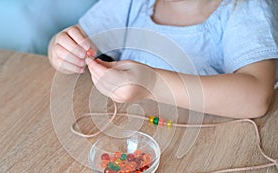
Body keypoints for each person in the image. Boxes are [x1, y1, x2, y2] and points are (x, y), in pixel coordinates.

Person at [48, 0, 278, 119]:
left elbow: (256, 98)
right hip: (131, 136)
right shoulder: (130, 4)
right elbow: (77, 40)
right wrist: (61, 49)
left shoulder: (246, 9)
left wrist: (153, 84)